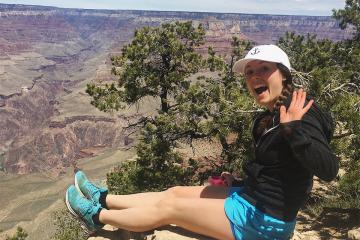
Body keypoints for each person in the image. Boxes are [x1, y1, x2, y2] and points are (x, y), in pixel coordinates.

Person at [65, 44, 339, 240]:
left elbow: (329, 169)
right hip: (251, 199)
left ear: (283, 74)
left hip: (266, 222)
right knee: (172, 192)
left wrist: (294, 131)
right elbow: (280, 170)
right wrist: (242, 182)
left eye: (264, 69)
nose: (254, 76)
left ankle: (97, 216)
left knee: (170, 209)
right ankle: (104, 198)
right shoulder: (274, 111)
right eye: (249, 72)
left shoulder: (300, 114)